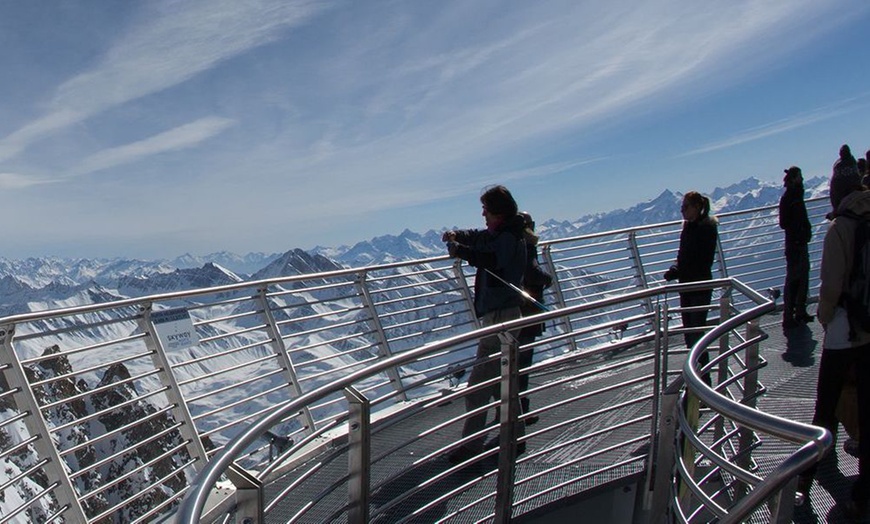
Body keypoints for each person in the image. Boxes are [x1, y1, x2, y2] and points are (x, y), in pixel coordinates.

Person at [797, 178, 870, 520]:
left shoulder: (839, 228)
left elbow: (831, 283)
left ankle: (804, 481)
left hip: (844, 330)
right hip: (869, 326)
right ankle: (863, 491)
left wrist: (824, 318)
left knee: (825, 404)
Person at [442, 185, 527, 463]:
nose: (483, 215)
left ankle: (471, 445)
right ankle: (515, 435)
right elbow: (481, 239)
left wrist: (461, 252)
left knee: (479, 384)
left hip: (500, 317)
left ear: (498, 213)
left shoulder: (508, 237)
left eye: (486, 210)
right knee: (503, 380)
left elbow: (492, 259)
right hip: (502, 314)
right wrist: (459, 237)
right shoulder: (506, 232)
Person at [663, 192, 719, 378]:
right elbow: (683, 256)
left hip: (698, 286)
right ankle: (699, 377)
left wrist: (679, 270)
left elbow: (701, 261)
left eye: (685, 206)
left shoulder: (706, 229)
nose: (682, 210)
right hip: (686, 286)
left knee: (696, 333)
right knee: (690, 334)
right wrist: (675, 269)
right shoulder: (688, 227)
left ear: (697, 207)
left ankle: (703, 379)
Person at [515, 211, 552, 425]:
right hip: (527, 312)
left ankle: (509, 409)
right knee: (521, 365)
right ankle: (520, 410)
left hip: (515, 311)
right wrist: (546, 279)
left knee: (513, 364)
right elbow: (532, 274)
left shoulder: (510, 245)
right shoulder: (526, 246)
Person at [779, 166, 813, 328]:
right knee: (794, 279)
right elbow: (784, 223)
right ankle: (789, 315)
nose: (802, 179)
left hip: (798, 241)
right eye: (800, 176)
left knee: (802, 277)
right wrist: (799, 230)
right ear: (794, 178)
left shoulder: (794, 196)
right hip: (795, 243)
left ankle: (799, 311)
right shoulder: (790, 198)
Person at [831, 144, 861, 213]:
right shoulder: (853, 163)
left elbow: (834, 185)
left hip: (841, 200)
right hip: (857, 199)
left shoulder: (838, 166)